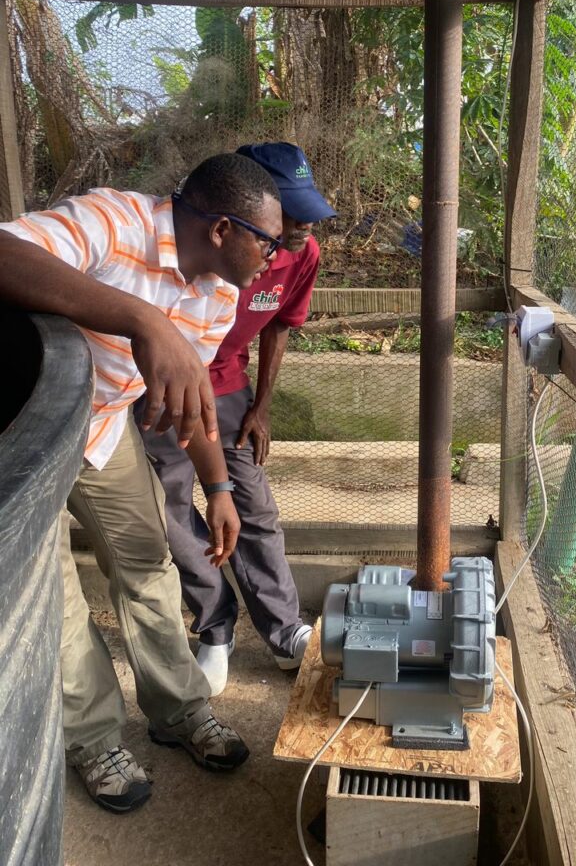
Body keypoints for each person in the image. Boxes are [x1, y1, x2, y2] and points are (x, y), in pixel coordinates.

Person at [0, 153, 284, 814]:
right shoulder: (116, 220)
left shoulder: (218, 294)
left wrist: (218, 490)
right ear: (222, 229)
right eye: (267, 240)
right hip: (21, 435)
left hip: (99, 430)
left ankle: (179, 709)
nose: (277, 254)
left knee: (150, 567)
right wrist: (145, 320)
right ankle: (94, 738)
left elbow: (195, 408)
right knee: (58, 602)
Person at [138, 143, 336, 695]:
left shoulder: (301, 252)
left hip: (228, 389)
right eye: (288, 213)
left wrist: (261, 406)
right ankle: (215, 627)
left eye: (305, 212)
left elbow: (279, 327)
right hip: (163, 391)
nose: (299, 228)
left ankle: (283, 629)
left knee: (252, 505)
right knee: (172, 511)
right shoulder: (211, 250)